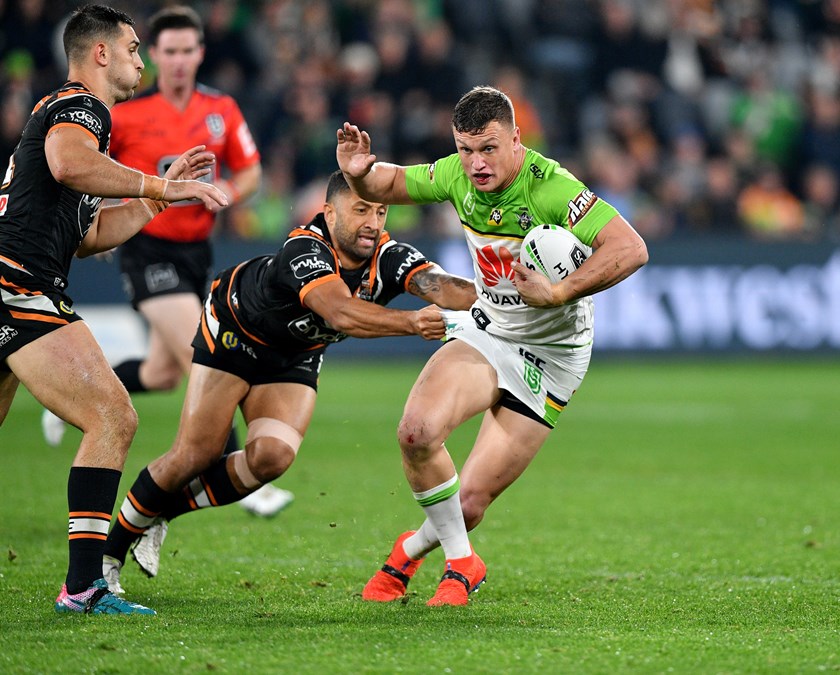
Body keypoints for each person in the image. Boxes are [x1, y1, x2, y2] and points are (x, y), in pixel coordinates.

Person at [335, 85, 649, 606]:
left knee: (469, 504)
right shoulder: (456, 174)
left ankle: (406, 554)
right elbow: (389, 182)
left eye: (489, 148)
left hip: (553, 357)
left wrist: (558, 292)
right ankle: (463, 563)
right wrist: (357, 173)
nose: (476, 163)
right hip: (490, 330)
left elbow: (630, 248)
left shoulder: (550, 188)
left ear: (516, 139)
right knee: (416, 432)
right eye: (466, 149)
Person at [101, 170, 477, 596]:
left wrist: (506, 296)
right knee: (196, 454)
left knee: (272, 457)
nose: (372, 223)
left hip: (295, 353)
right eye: (360, 210)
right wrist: (412, 322)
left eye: (380, 211)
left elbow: (441, 286)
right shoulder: (305, 249)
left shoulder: (389, 256)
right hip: (236, 333)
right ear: (329, 213)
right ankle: (108, 557)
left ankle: (161, 511)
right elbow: (340, 313)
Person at [0, 4, 228, 615]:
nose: (141, 61)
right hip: (18, 286)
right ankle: (83, 588)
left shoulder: (67, 117)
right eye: (133, 48)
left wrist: (157, 200)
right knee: (113, 416)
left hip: (13, 283)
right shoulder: (82, 107)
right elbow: (67, 162)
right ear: (100, 53)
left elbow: (91, 235)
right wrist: (160, 184)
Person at [38, 5, 292, 518]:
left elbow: (251, 172)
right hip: (146, 248)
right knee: (207, 349)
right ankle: (242, 476)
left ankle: (70, 395)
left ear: (200, 53)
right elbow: (89, 167)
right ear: (153, 55)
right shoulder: (126, 112)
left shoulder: (222, 109)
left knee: (162, 373)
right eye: (168, 51)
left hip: (196, 252)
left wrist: (224, 191)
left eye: (187, 50)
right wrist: (101, 221)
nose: (178, 60)